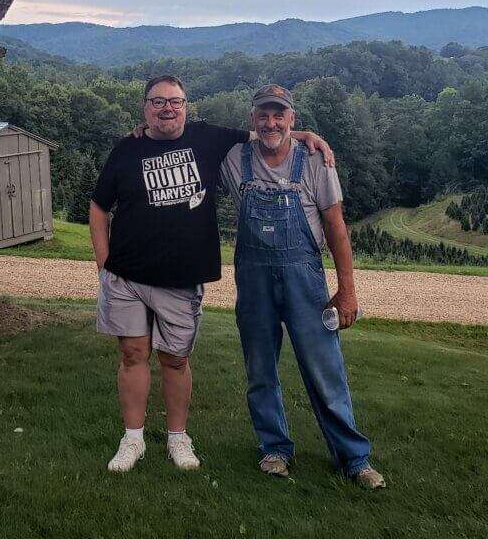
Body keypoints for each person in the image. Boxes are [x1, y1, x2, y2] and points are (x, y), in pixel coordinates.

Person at [89, 75, 332, 473]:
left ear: (186, 105)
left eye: (175, 101)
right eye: (158, 101)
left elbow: (264, 133)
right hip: (127, 277)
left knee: (176, 360)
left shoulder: (208, 138)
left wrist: (305, 134)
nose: (167, 108)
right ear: (144, 107)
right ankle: (132, 439)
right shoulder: (126, 148)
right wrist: (103, 266)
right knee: (132, 354)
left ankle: (177, 439)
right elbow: (99, 208)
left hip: (182, 277)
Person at [219, 84, 385, 489]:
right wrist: (143, 132)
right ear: (252, 120)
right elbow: (184, 136)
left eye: (280, 116)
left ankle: (353, 458)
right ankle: (274, 448)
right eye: (263, 115)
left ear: (292, 119)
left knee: (325, 370)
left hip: (305, 280)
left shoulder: (315, 161)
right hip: (254, 281)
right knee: (260, 370)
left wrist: (347, 290)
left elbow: (336, 227)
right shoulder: (234, 158)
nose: (271, 123)